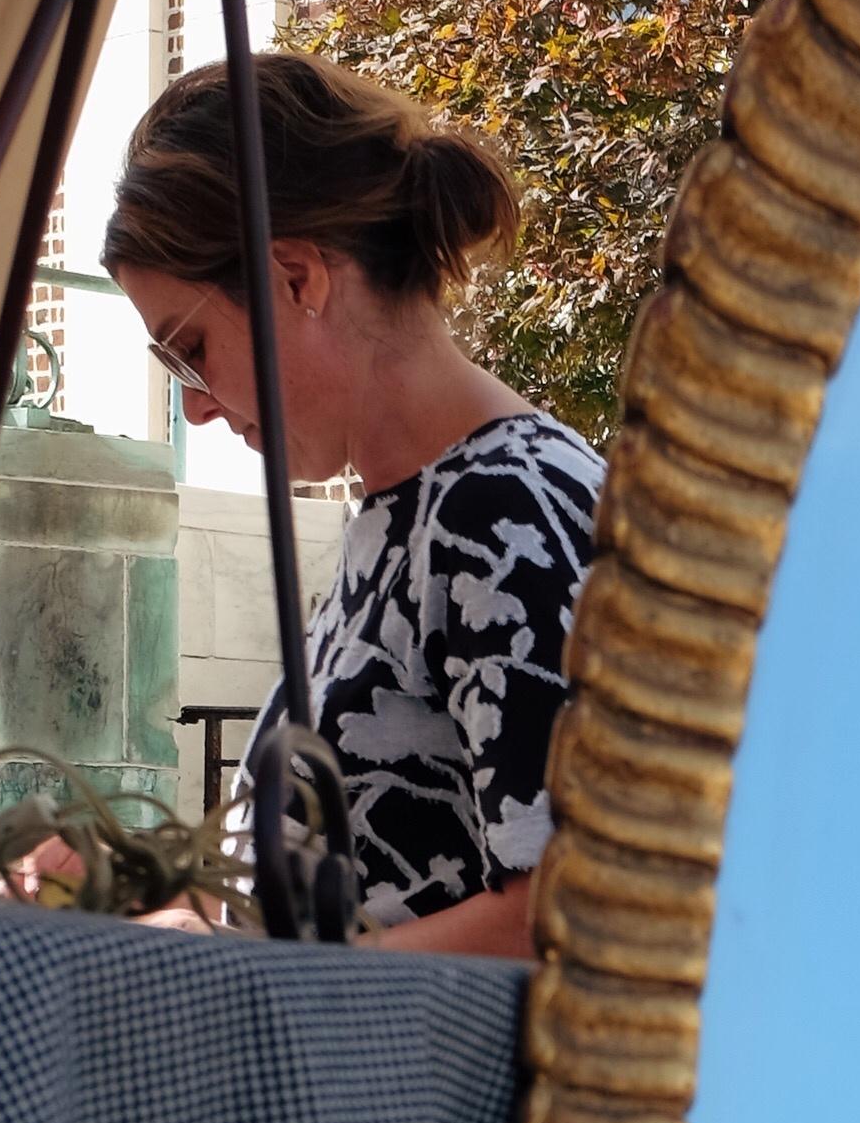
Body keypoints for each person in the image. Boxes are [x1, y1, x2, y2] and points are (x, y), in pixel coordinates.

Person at [102, 56, 601, 957]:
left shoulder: (502, 513)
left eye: (191, 351)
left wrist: (266, 983)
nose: (196, 404)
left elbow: (575, 912)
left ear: (297, 279)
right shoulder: (411, 513)